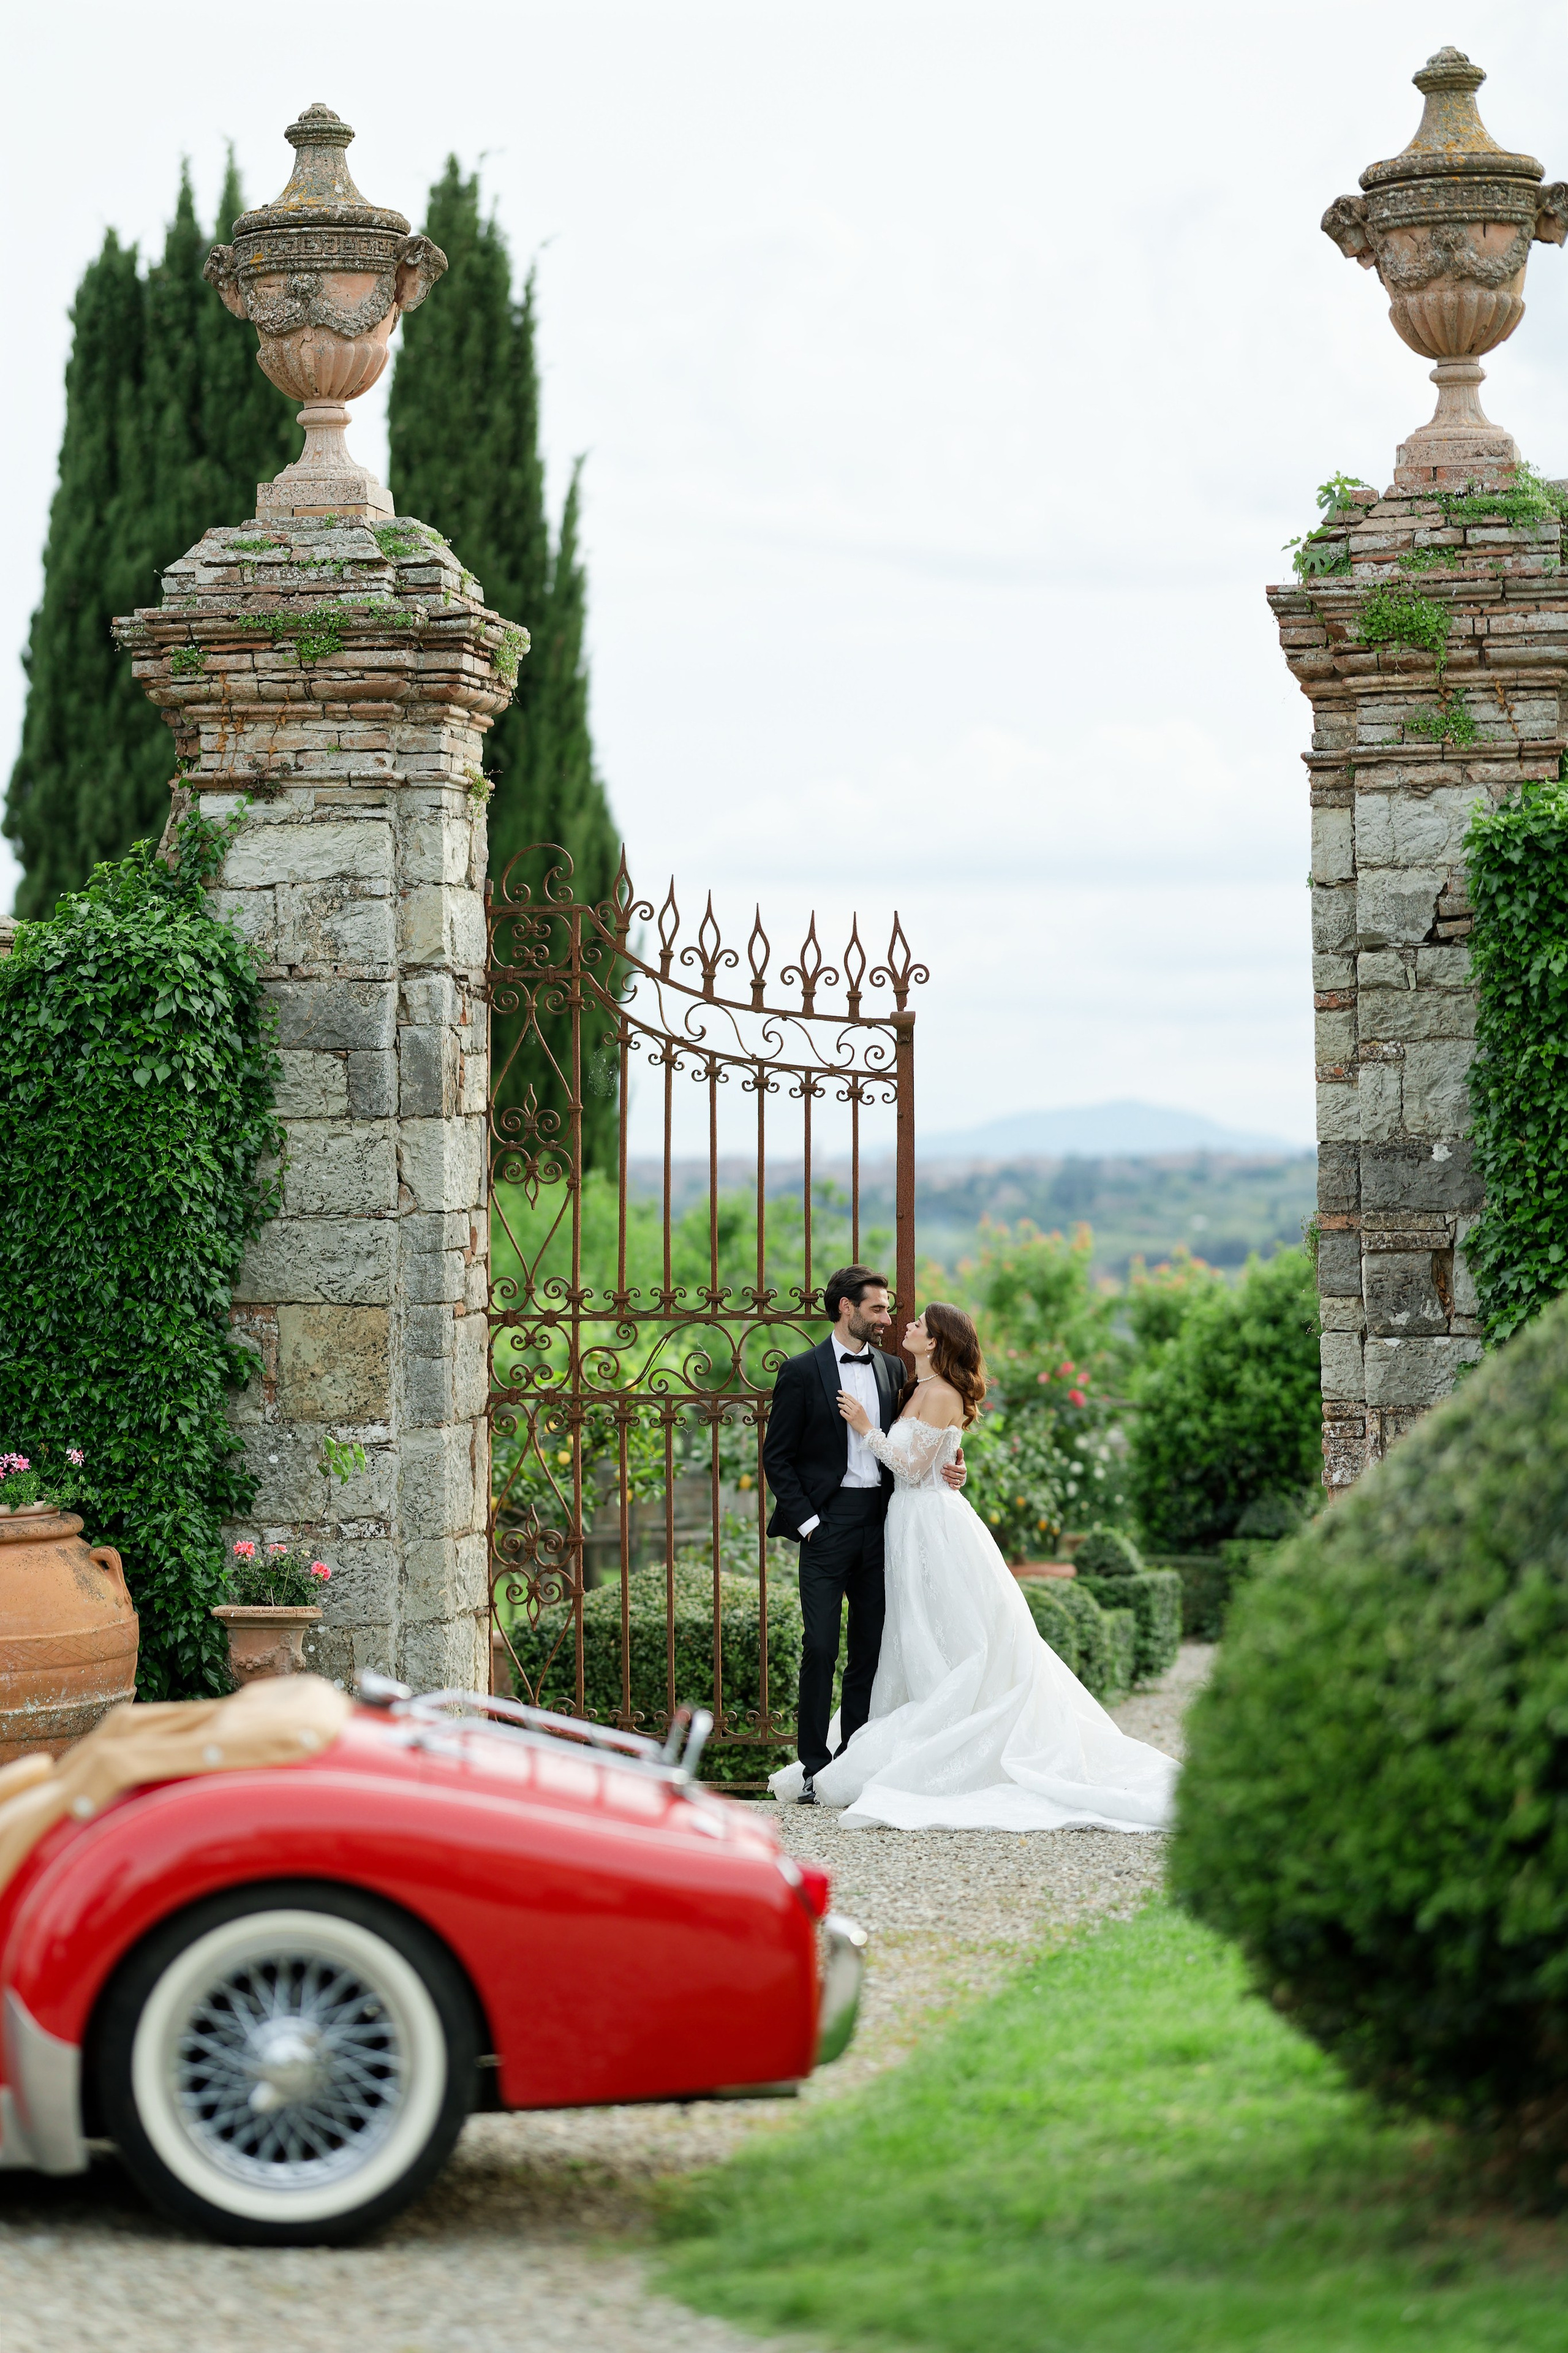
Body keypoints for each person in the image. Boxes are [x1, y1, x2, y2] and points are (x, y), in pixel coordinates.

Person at [768, 1301, 1178, 1832]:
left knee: (946, 1633)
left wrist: (869, 1428)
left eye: (916, 1324)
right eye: (895, 1315)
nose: (903, 1326)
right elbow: (932, 1455)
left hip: (930, 1525)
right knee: (911, 1629)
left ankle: (948, 1727)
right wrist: (949, 1462)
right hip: (904, 1522)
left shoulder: (938, 1392)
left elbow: (914, 1467)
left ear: (936, 1340)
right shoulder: (910, 1383)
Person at [761, 1266, 966, 1805]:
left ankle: (853, 1760)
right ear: (847, 1308)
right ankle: (812, 1765)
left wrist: (953, 1463)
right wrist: (808, 1523)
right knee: (821, 1646)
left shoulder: (896, 1369)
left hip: (884, 1525)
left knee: (870, 1651)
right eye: (877, 1308)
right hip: (825, 1528)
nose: (886, 1318)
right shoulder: (802, 1372)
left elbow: (918, 1444)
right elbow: (776, 1458)